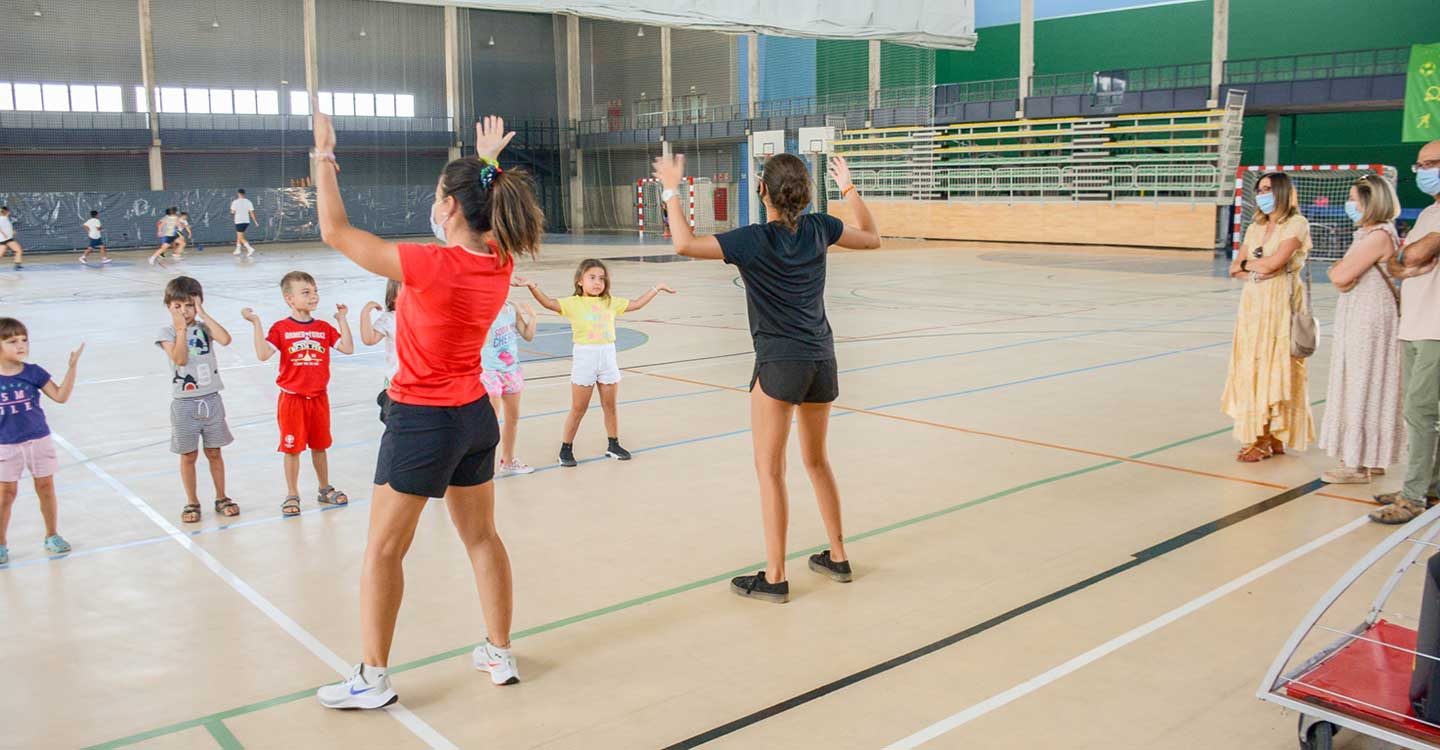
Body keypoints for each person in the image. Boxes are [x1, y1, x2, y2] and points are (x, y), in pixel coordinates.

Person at [309, 112, 545, 709]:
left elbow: (336, 232)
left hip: (420, 421)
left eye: (440, 197)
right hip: (473, 417)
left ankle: (372, 678)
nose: (433, 204)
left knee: (383, 550)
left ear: (451, 209)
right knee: (483, 538)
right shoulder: (501, 262)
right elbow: (482, 204)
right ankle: (499, 650)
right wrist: (485, 162)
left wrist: (324, 157)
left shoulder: (430, 264)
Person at [653, 152, 881, 604]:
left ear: (763, 192)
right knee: (817, 461)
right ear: (806, 193)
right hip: (821, 360)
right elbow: (873, 238)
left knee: (769, 471)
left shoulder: (753, 240)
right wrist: (850, 188)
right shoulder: (821, 228)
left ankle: (775, 577)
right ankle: (837, 555)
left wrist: (671, 189)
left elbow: (683, 244)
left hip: (779, 365)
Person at [513, 260, 674, 467]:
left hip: (607, 358)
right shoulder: (573, 303)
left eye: (601, 278)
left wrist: (656, 288)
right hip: (585, 359)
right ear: (580, 281)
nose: (598, 282)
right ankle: (565, 449)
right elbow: (548, 303)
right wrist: (532, 285)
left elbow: (637, 304)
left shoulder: (610, 302)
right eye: (592, 277)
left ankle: (613, 444)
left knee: (610, 406)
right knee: (579, 408)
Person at [240, 271, 353, 518]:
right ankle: (292, 493)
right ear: (289, 299)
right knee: (292, 448)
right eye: (306, 292)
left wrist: (342, 319)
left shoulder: (323, 328)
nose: (313, 296)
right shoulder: (281, 328)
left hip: (319, 398)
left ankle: (324, 488)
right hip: (292, 399)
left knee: (320, 446)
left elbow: (347, 347)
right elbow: (262, 353)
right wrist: (256, 323)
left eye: (315, 291)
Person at [1222, 172, 1316, 463]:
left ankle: (1268, 436)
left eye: (1268, 189)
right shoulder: (1255, 227)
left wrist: (1253, 264)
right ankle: (1264, 433)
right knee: (1253, 365)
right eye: (1259, 189)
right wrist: (1255, 265)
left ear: (1283, 193)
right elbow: (1234, 268)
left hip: (1281, 303)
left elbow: (1275, 265)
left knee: (1277, 365)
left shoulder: (1296, 224)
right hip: (1253, 304)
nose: (1262, 194)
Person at [1318, 175, 1403, 485]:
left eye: (1354, 198)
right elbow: (1342, 276)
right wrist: (1341, 275)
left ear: (1370, 202)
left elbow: (1340, 274)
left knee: (1361, 383)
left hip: (1369, 317)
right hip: (1360, 312)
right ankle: (1371, 454)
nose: (1350, 204)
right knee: (1363, 380)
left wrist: (1340, 273)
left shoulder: (1378, 235)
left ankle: (1356, 463)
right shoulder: (1367, 235)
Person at [1375, 140, 1440, 523]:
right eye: (1420, 165)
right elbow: (1396, 264)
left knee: (1420, 411)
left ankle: (1414, 497)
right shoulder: (1430, 213)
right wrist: (1411, 257)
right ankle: (1427, 485)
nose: (1424, 170)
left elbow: (1410, 256)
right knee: (1422, 411)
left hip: (1435, 327)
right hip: (1414, 323)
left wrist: (1413, 256)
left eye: (1432, 163)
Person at [0, 318, 84, 564]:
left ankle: (52, 535)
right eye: (12, 341)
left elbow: (60, 396)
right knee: (6, 494)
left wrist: (72, 367)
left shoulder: (34, 372)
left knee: (46, 488)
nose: (21, 345)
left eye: (24, 340)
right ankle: (2, 543)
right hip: (6, 444)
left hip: (38, 440)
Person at [156, 276, 238, 523]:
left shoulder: (204, 328)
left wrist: (203, 312)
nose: (184, 311)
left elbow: (225, 339)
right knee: (188, 455)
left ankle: (222, 497)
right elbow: (180, 359)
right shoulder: (167, 332)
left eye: (189, 305)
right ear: (169, 306)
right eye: (177, 306)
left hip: (211, 399)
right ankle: (192, 501)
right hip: (184, 403)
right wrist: (181, 330)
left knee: (214, 451)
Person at [481, 297, 538, 475]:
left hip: (511, 370)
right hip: (489, 371)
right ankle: (481, 465)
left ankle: (508, 460)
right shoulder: (482, 308)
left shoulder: (511, 308)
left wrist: (533, 317)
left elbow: (528, 336)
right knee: (490, 421)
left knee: (512, 418)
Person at [359, 280, 401, 423]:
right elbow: (369, 339)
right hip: (394, 383)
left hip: (418, 384)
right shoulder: (389, 319)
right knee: (394, 422)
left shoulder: (424, 316)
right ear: (393, 296)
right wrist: (365, 313)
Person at [231, 189, 257, 257]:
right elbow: (252, 212)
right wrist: (255, 222)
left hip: (239, 221)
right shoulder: (249, 202)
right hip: (246, 221)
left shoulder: (235, 202)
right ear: (244, 194)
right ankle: (238, 250)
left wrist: (233, 210)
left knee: (241, 237)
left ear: (238, 194)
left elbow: (232, 212)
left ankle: (250, 248)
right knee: (239, 235)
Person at [1, 206, 24, 270]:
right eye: (8, 211)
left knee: (1, 254)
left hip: (6, 239)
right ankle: (17, 265)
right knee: (18, 250)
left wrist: (12, 232)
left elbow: (6, 228)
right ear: (6, 212)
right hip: (7, 239)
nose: (9, 212)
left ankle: (17, 265)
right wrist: (4, 234)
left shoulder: (5, 218)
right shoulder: (2, 219)